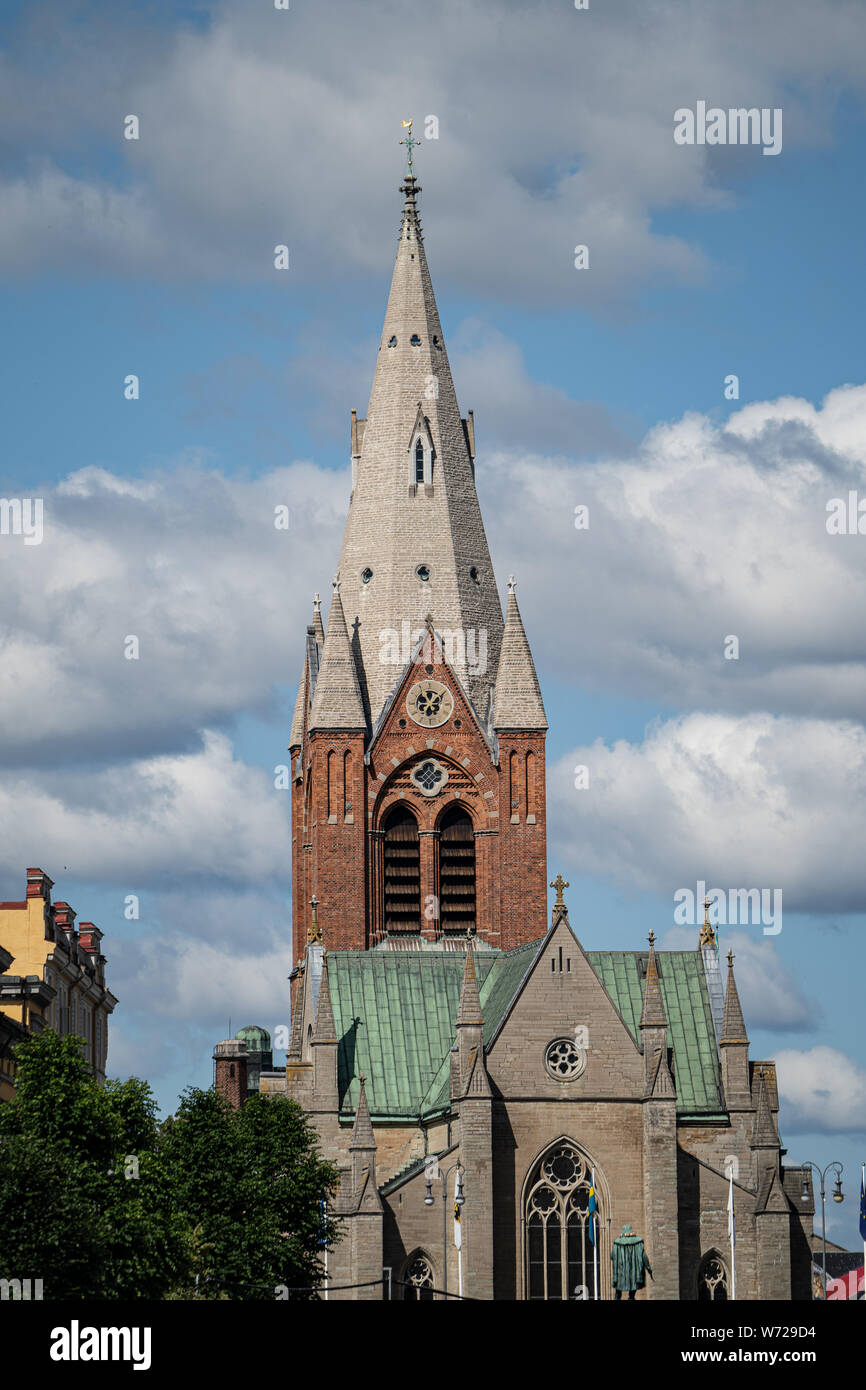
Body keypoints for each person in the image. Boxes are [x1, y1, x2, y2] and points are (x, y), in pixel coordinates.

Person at [611, 1224, 653, 1299]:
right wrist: (649, 1268)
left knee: (618, 1292)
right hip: (634, 1274)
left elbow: (612, 1256)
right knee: (632, 1293)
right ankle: (631, 1297)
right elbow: (644, 1256)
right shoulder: (638, 1243)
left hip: (621, 1273)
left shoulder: (617, 1243)